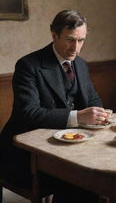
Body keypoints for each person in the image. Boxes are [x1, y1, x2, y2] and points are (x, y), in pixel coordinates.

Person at [0, 10, 109, 202]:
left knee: (96, 178)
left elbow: (93, 101)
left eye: (81, 40)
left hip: (66, 149)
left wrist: (99, 114)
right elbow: (29, 113)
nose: (76, 47)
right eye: (70, 39)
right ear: (53, 35)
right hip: (23, 153)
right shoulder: (28, 65)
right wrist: (78, 117)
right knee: (78, 180)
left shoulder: (81, 65)